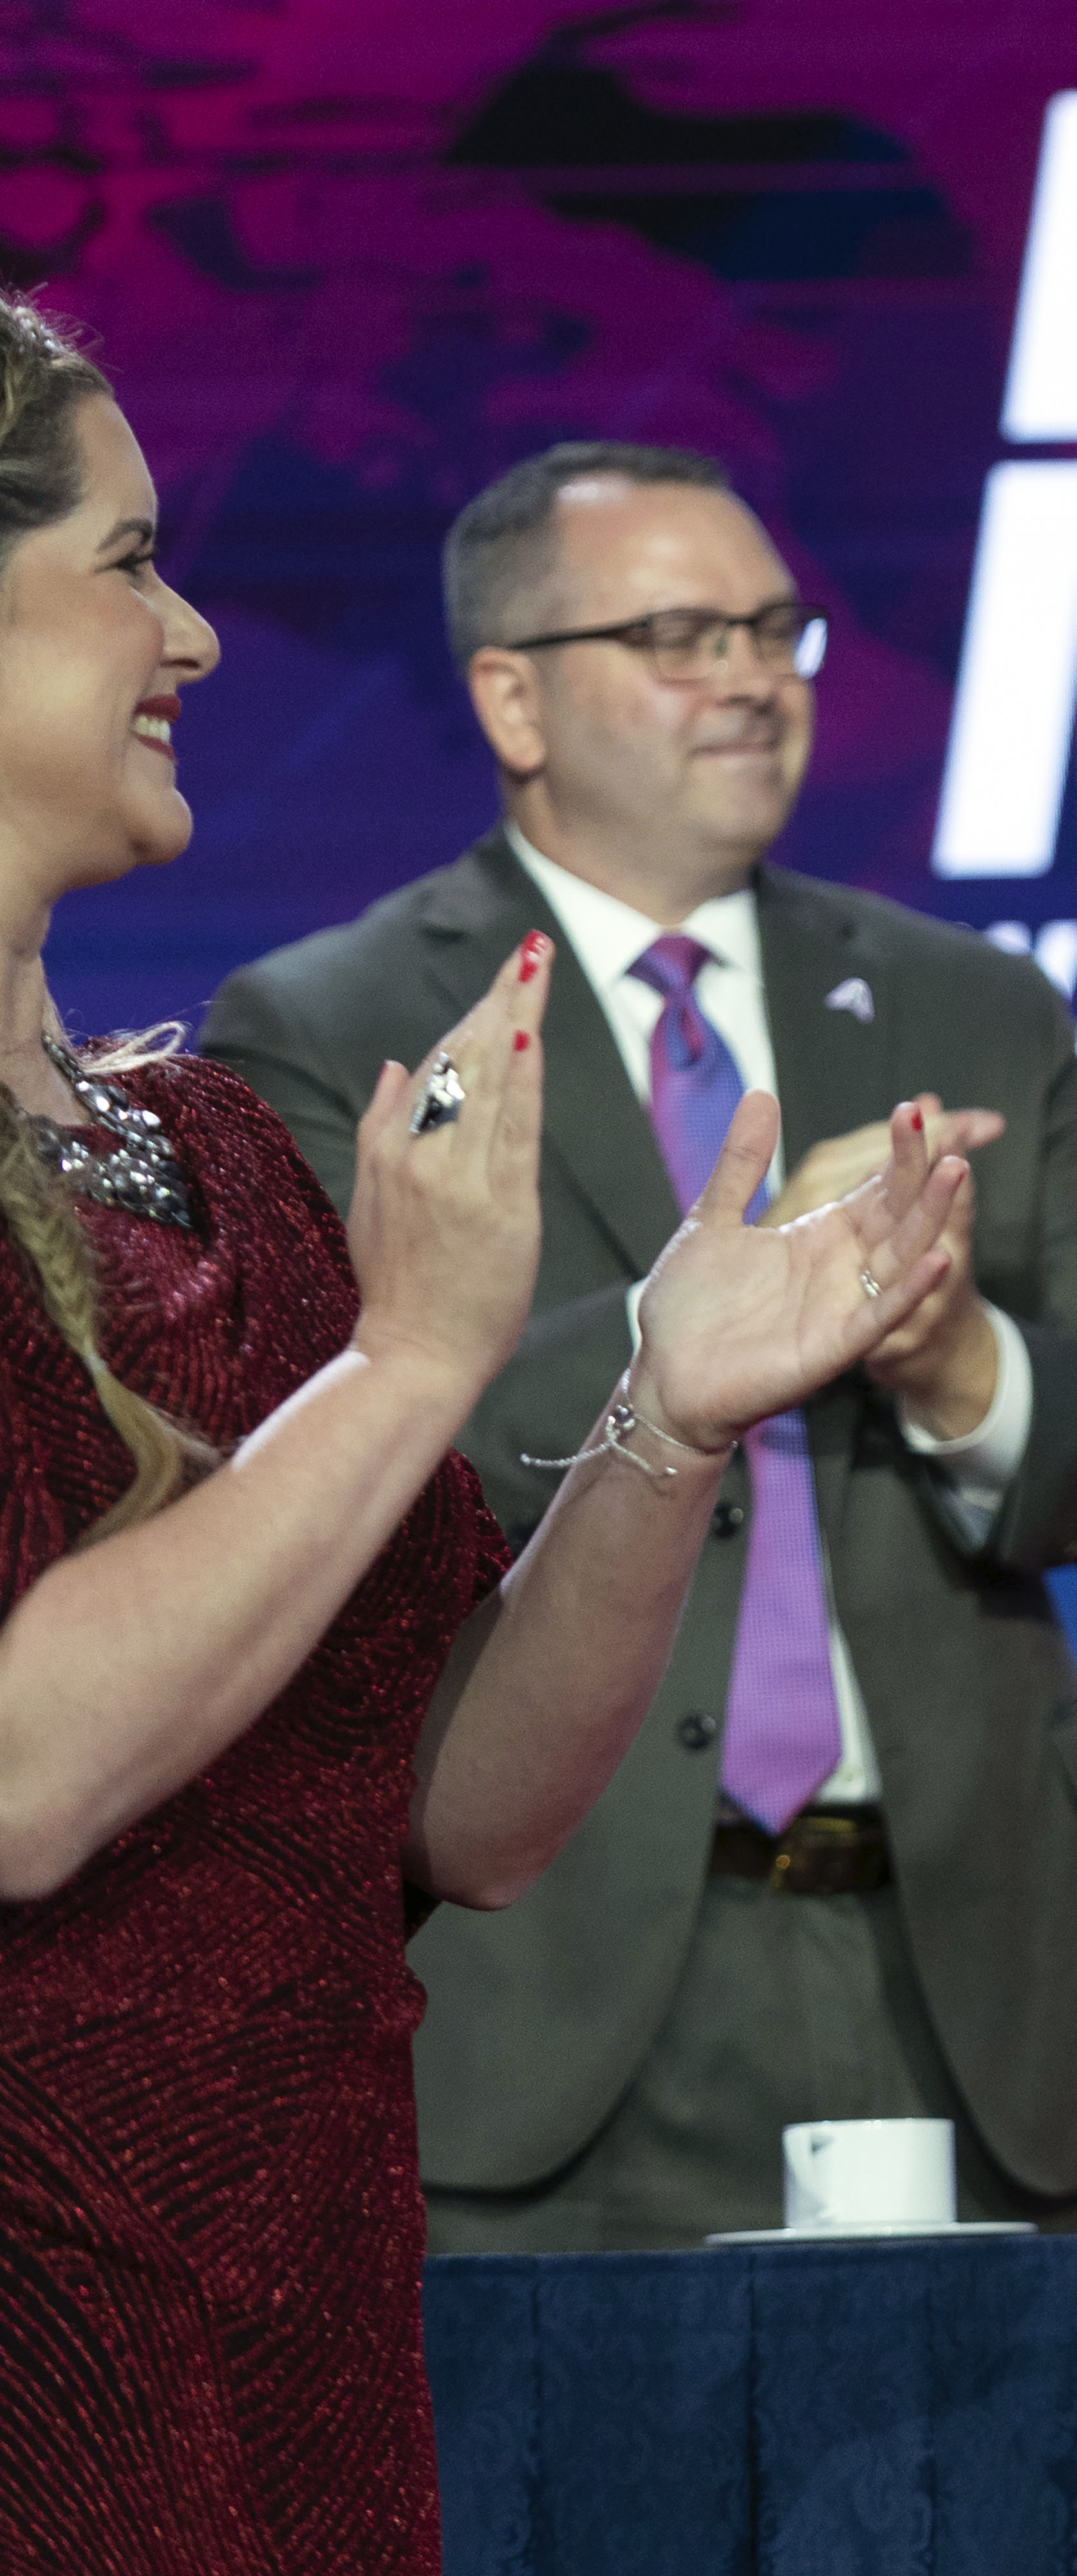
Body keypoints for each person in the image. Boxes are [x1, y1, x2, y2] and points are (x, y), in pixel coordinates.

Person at [0, 295, 968, 2569]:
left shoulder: (212, 1152)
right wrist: (414, 1362)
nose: (202, 633)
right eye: (129, 561)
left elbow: (467, 1809)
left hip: (311, 2303)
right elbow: (24, 1782)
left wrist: (668, 1408)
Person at [202, 442, 1077, 2249]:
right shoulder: (342, 1023)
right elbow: (340, 1465)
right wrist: (727, 1302)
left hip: (967, 1980)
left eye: (773, 628)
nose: (752, 676)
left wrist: (950, 1362)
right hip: (557, 1992)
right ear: (512, 697)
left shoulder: (960, 1004)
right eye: (679, 633)